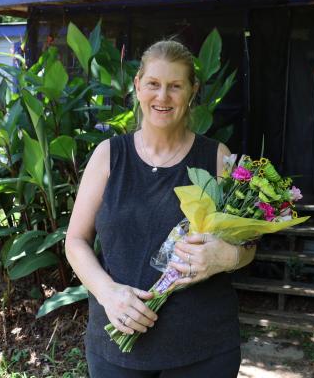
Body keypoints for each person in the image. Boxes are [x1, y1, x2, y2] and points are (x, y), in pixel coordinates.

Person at [65, 40, 256, 377]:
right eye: (153, 84)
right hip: (117, 348)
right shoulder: (109, 156)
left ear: (192, 91)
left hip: (203, 349)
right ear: (137, 85)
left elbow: (247, 245)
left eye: (175, 86)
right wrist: (109, 294)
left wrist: (228, 257)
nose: (162, 97)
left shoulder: (216, 157)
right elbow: (75, 241)